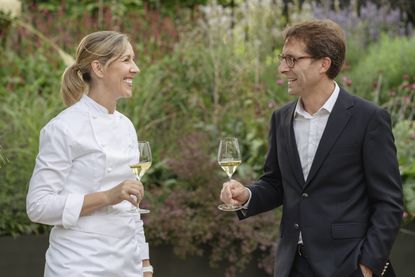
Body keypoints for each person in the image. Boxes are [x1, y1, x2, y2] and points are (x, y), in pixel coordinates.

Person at [220, 19, 403, 277]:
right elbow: (275, 184)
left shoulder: (368, 119)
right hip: (292, 266)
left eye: (292, 59)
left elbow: (389, 203)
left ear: (323, 64)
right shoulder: (281, 118)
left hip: (348, 266)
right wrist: (246, 195)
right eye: (282, 58)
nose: (283, 68)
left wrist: (367, 266)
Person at [27, 31, 153, 277]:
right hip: (78, 264)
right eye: (126, 60)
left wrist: (145, 264)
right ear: (99, 67)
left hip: (127, 264)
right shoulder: (63, 128)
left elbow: (132, 206)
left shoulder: (126, 126)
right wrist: (108, 196)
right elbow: (38, 206)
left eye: (133, 59)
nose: (135, 69)